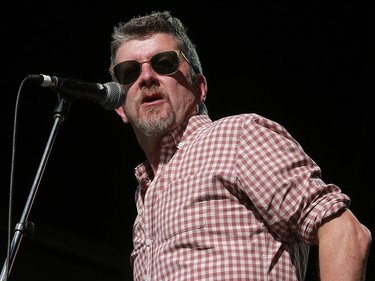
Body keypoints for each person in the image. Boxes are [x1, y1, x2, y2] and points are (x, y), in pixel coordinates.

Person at [108, 10, 371, 281]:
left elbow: (344, 231)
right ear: (120, 107)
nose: (146, 77)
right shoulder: (144, 199)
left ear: (200, 88)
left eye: (164, 63)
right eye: (129, 72)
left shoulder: (236, 136)